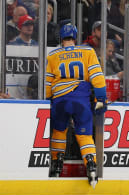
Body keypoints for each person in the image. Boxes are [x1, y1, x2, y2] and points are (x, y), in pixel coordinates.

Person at [46, 24, 107, 186]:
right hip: (81, 100)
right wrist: (101, 98)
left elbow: (47, 83)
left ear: (61, 38)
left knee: (59, 131)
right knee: (84, 135)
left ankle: (56, 165)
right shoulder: (87, 52)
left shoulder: (53, 55)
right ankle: (91, 166)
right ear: (75, 37)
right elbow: (97, 76)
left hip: (60, 100)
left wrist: (47, 100)